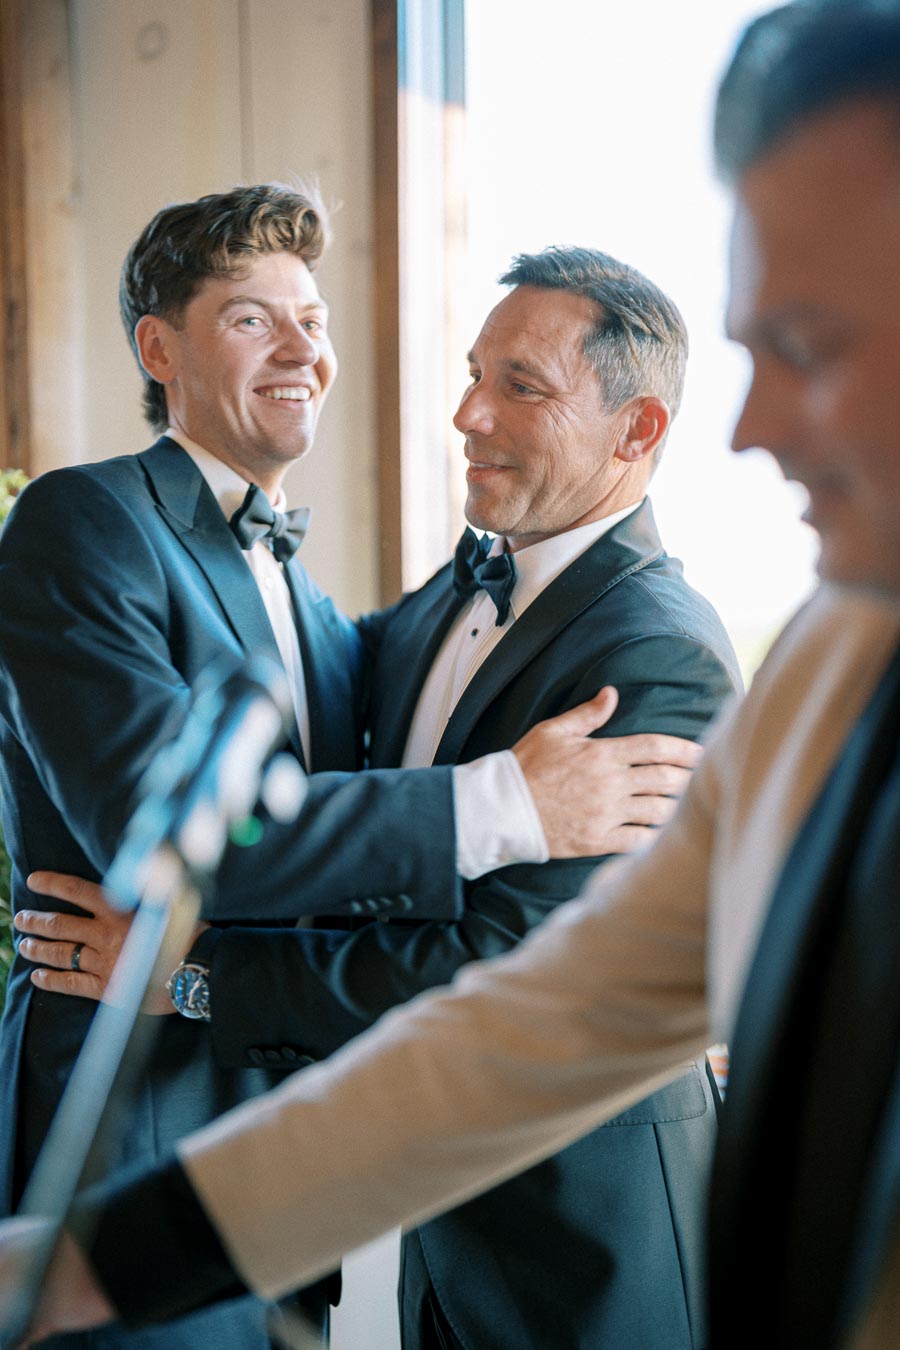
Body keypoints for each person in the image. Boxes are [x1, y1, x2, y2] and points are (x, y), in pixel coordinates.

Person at [0, 188, 703, 1349]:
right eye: (250, 319)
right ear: (158, 347)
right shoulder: (86, 522)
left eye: (314, 321)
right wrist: (508, 803)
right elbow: (160, 829)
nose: (303, 352)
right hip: (126, 1135)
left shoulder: (336, 617)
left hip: (294, 1174)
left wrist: (207, 977)